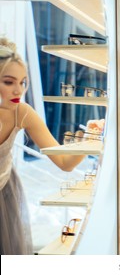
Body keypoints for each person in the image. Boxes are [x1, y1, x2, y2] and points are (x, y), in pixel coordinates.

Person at [0, 37, 100, 254]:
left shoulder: (22, 111)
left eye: (23, 82)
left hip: (3, 195)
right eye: (9, 82)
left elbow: (65, 162)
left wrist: (89, 138)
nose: (19, 91)